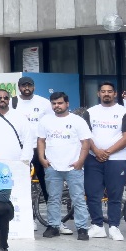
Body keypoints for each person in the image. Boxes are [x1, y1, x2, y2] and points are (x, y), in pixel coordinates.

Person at [37, 91, 92, 239]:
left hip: (73, 166)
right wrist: (42, 159)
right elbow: (41, 140)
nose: (57, 106)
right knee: (53, 198)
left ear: (67, 104)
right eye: (54, 103)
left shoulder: (78, 121)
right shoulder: (45, 120)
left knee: (78, 198)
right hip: (52, 166)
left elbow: (85, 142)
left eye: (60, 103)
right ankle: (53, 226)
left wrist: (81, 161)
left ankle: (82, 228)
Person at [84, 82, 126, 240]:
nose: (106, 94)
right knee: (92, 194)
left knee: (115, 194)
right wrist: (97, 151)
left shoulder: (124, 112)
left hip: (117, 160)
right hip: (93, 158)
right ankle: (97, 225)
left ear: (115, 94)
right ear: (98, 93)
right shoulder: (90, 112)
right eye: (103, 91)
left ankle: (114, 227)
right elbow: (85, 135)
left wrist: (107, 152)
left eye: (109, 91)